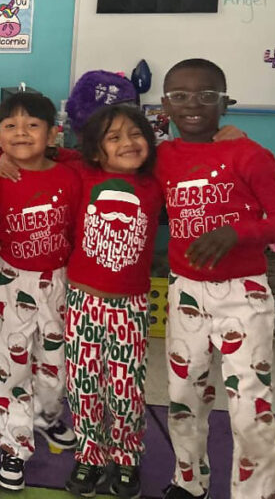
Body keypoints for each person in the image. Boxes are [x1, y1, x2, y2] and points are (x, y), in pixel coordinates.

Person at [157, 59, 275, 499]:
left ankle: (257, 492)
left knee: (249, 407)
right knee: (183, 398)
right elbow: (98, 158)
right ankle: (188, 480)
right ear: (164, 106)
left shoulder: (249, 154)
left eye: (205, 96)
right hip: (186, 293)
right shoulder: (161, 158)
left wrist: (236, 232)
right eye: (179, 96)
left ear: (225, 103)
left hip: (244, 294)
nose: (192, 105)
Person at [59, 104, 161, 499]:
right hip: (83, 302)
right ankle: (89, 454)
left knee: (125, 389)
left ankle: (126, 456)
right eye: (114, 137)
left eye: (136, 134)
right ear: (98, 151)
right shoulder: (84, 174)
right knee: (84, 386)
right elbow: (50, 154)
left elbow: (191, 157)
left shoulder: (156, 181)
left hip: (131, 306)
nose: (128, 143)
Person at [0, 92, 80, 492]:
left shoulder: (70, 175)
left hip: (58, 281)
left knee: (56, 366)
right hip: (10, 283)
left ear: (53, 134)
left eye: (33, 125)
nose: (21, 133)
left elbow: (89, 161)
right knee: (11, 367)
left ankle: (47, 415)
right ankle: (14, 445)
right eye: (11, 127)